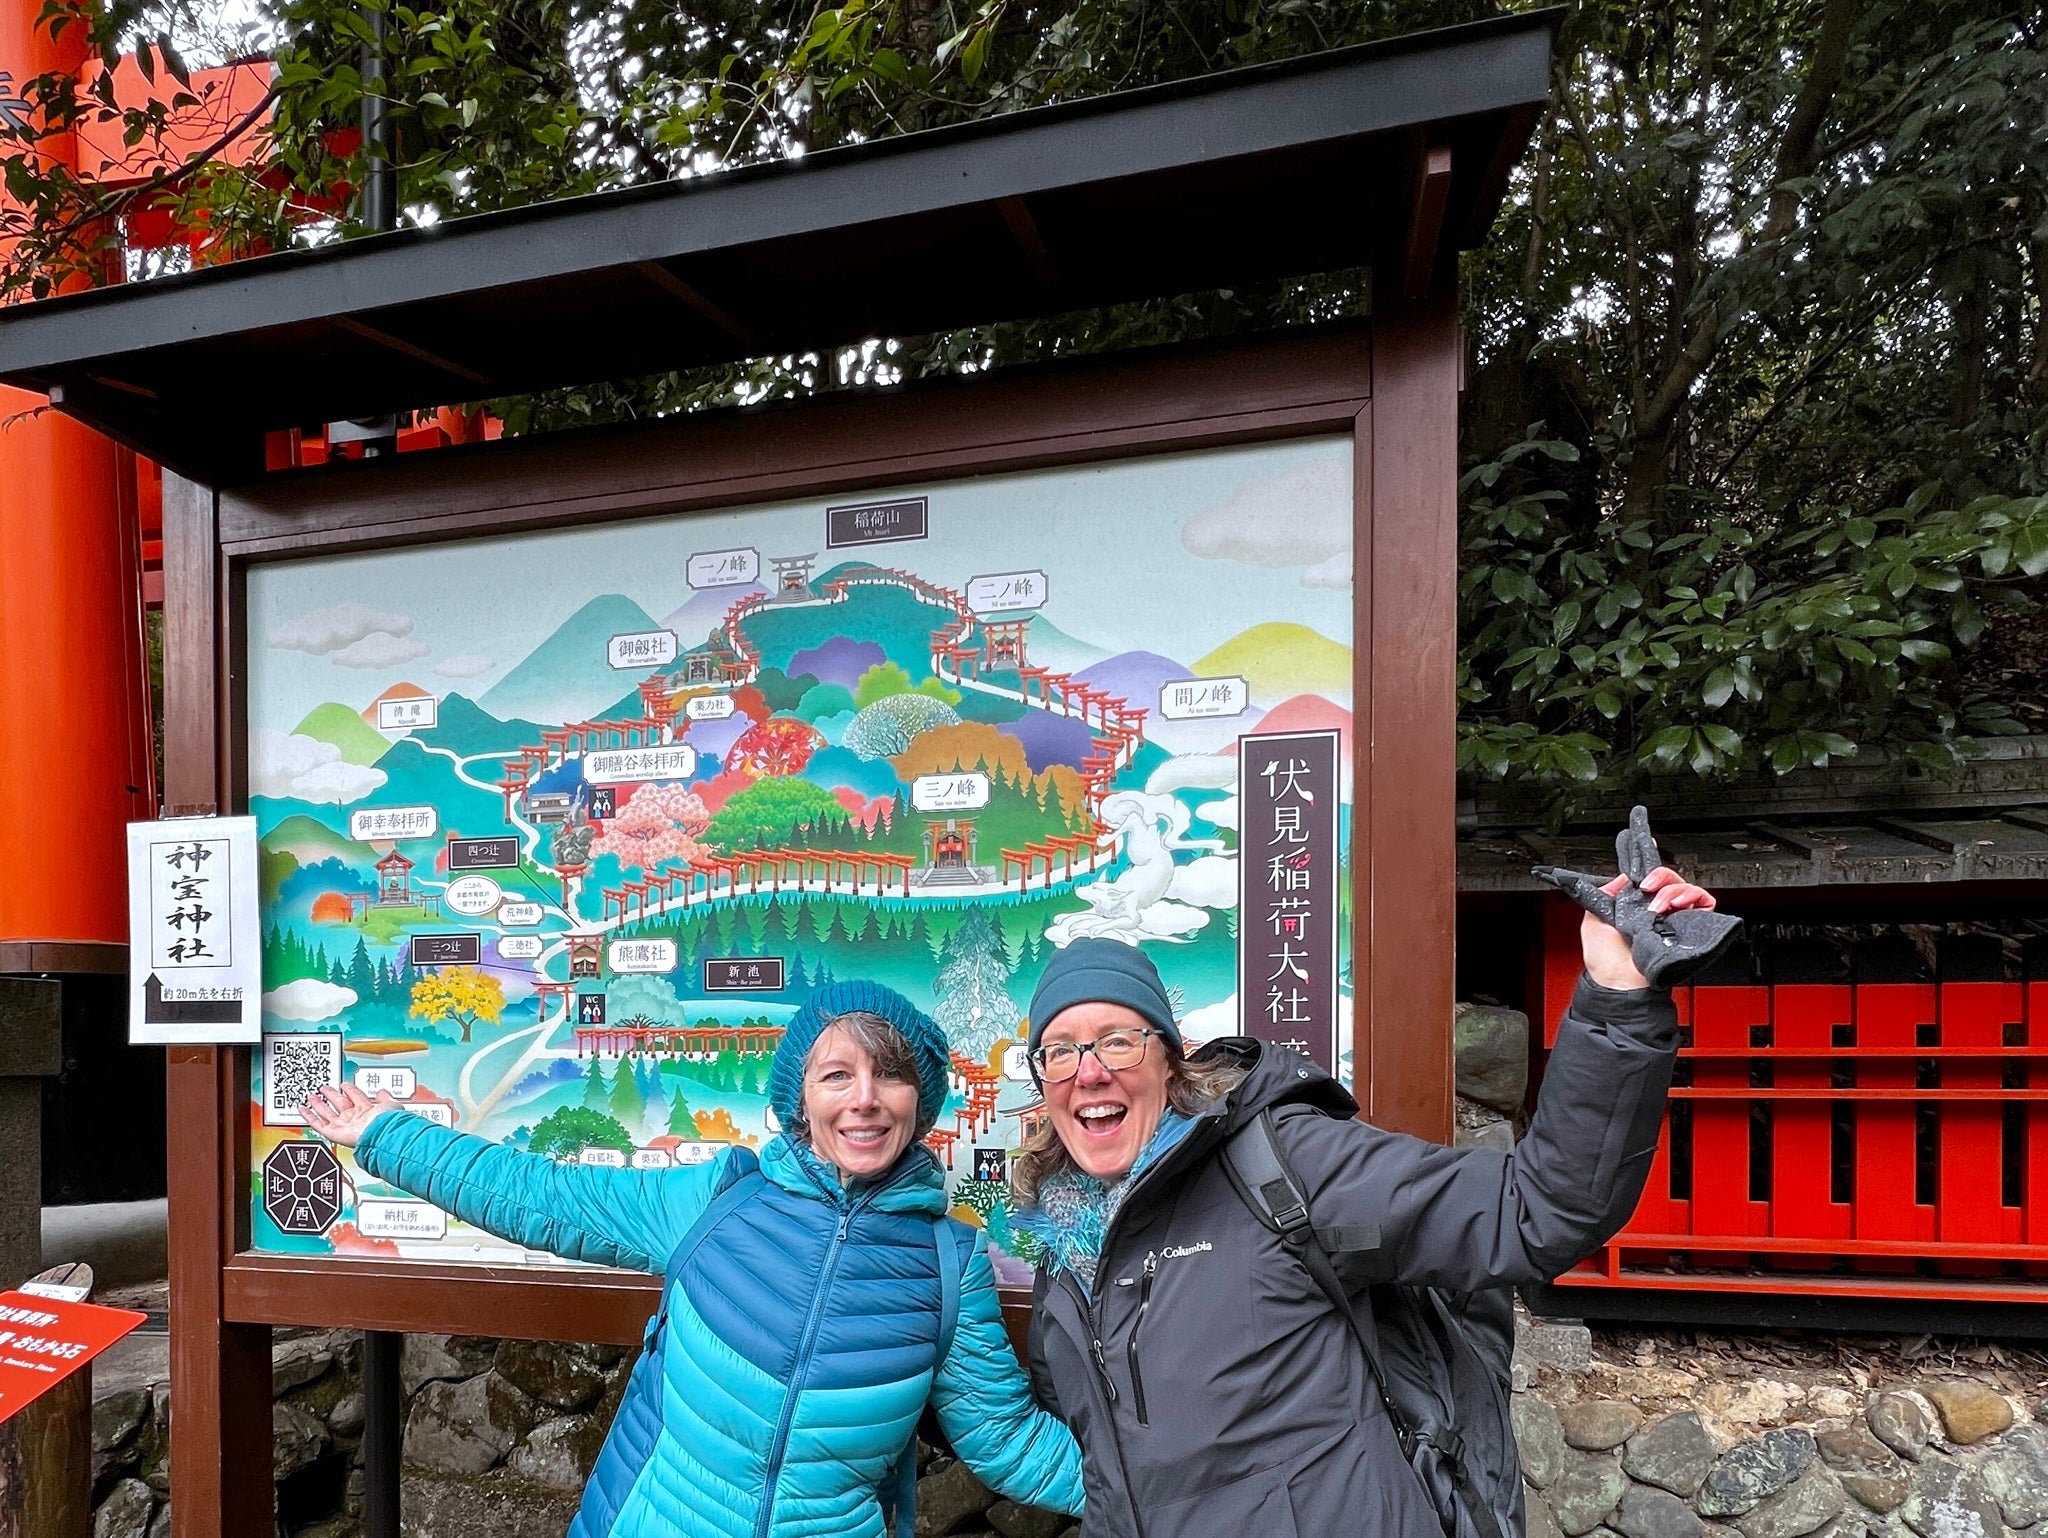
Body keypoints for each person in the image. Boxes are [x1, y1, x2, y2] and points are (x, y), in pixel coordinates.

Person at [1012, 830, 1722, 1538]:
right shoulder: (1067, 1255)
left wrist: (1615, 996)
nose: (1090, 1071)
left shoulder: (1283, 1162)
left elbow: (1532, 1209)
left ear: (1171, 1062)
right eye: (1061, 1051)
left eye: (1117, 1039)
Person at [302, 979, 1084, 1538]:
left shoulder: (948, 1263)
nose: (865, 1099)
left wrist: (1188, 1496)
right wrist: (385, 1133)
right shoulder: (721, 1200)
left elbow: (1005, 1439)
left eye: (891, 1076)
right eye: (837, 1074)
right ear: (799, 1098)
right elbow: (542, 1195)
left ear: (923, 1101)